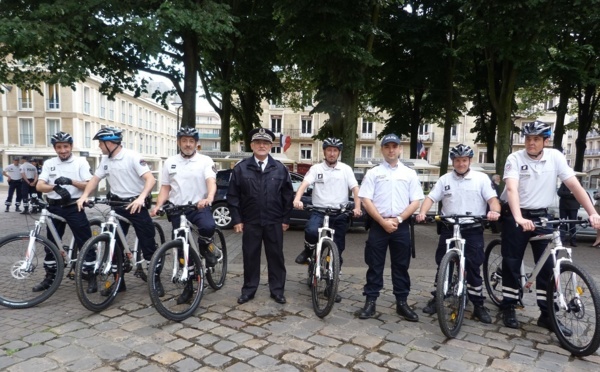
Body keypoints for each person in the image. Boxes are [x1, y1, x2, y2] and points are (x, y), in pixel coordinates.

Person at [499, 120, 600, 334]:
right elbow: (511, 189)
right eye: (528, 139)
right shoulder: (514, 158)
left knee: (548, 267)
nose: (531, 143)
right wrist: (518, 217)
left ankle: (547, 315)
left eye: (536, 139)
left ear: (546, 140)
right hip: (517, 214)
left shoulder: (555, 157)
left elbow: (574, 185)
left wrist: (593, 213)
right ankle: (508, 305)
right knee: (511, 260)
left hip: (542, 215)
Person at [416, 144, 500, 324]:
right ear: (452, 162)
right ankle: (439, 297)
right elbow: (431, 198)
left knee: (473, 266)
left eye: (464, 160)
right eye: (457, 160)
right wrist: (422, 212)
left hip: (472, 228)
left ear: (469, 161)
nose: (460, 164)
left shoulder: (481, 179)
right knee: (443, 265)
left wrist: (494, 211)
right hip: (449, 227)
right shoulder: (445, 179)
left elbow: (493, 200)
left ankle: (478, 304)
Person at [76, 127, 157, 295]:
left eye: (100, 143)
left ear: (110, 143)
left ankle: (154, 279)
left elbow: (150, 179)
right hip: (117, 205)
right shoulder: (106, 160)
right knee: (114, 244)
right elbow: (95, 179)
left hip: (136, 204)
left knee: (147, 241)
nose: (99, 146)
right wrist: (84, 195)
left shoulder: (132, 157)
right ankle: (119, 281)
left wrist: (141, 197)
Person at [357, 133, 424, 320]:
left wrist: (399, 220)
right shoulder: (373, 173)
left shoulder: (409, 174)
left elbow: (416, 201)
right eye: (387, 147)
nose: (391, 150)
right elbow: (366, 200)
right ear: (382, 150)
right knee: (374, 265)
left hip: (400, 226)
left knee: (401, 266)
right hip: (379, 225)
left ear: (400, 149)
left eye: (395, 146)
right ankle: (370, 302)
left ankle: (402, 303)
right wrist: (382, 221)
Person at [227, 127, 294, 305]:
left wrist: (286, 219)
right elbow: (233, 196)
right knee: (250, 256)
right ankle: (249, 290)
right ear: (252, 145)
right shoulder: (241, 168)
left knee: (276, 257)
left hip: (274, 220)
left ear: (271, 146)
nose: (261, 146)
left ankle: (277, 290)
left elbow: (287, 196)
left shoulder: (280, 169)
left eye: (265, 143)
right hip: (251, 221)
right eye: (258, 142)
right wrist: (237, 219)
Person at [150, 126, 217, 304]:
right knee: (181, 248)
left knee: (208, 227)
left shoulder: (205, 160)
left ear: (196, 143)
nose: (188, 144)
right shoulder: (170, 162)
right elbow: (165, 187)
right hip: (177, 209)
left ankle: (207, 248)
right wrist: (158, 205)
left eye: (191, 141)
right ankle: (188, 287)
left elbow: (211, 181)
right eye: (184, 141)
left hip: (198, 206)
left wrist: (209, 198)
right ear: (179, 142)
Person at [292, 137, 362, 303]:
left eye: (335, 150)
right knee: (310, 230)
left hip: (339, 214)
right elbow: (304, 184)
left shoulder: (345, 169)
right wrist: (297, 199)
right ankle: (309, 251)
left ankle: (331, 284)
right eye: (329, 150)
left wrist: (357, 207)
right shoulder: (316, 168)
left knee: (337, 250)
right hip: (319, 211)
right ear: (324, 152)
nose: (332, 153)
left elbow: (355, 189)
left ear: (338, 153)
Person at [33, 132, 94, 292]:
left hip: (74, 206)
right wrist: (54, 187)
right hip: (54, 207)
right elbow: (39, 186)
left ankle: (91, 274)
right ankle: (50, 277)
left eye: (65, 146)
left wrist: (71, 182)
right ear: (55, 148)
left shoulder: (80, 162)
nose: (62, 150)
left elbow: (89, 185)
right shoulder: (49, 163)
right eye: (58, 147)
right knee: (51, 244)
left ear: (71, 146)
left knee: (85, 241)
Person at [557, 180, 581, 247]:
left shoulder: (578, 184)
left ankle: (573, 241)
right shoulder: (564, 183)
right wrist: (570, 194)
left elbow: (578, 193)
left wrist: (566, 194)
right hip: (563, 207)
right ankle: (562, 240)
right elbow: (559, 193)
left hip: (573, 207)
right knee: (562, 223)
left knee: (572, 224)